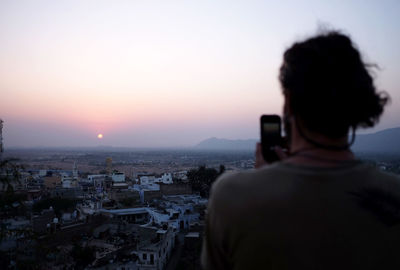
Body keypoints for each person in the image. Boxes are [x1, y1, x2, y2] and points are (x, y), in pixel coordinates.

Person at [201, 31, 400, 270]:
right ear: (358, 106)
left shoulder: (232, 195)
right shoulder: (394, 194)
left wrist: (266, 181)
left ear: (288, 103)